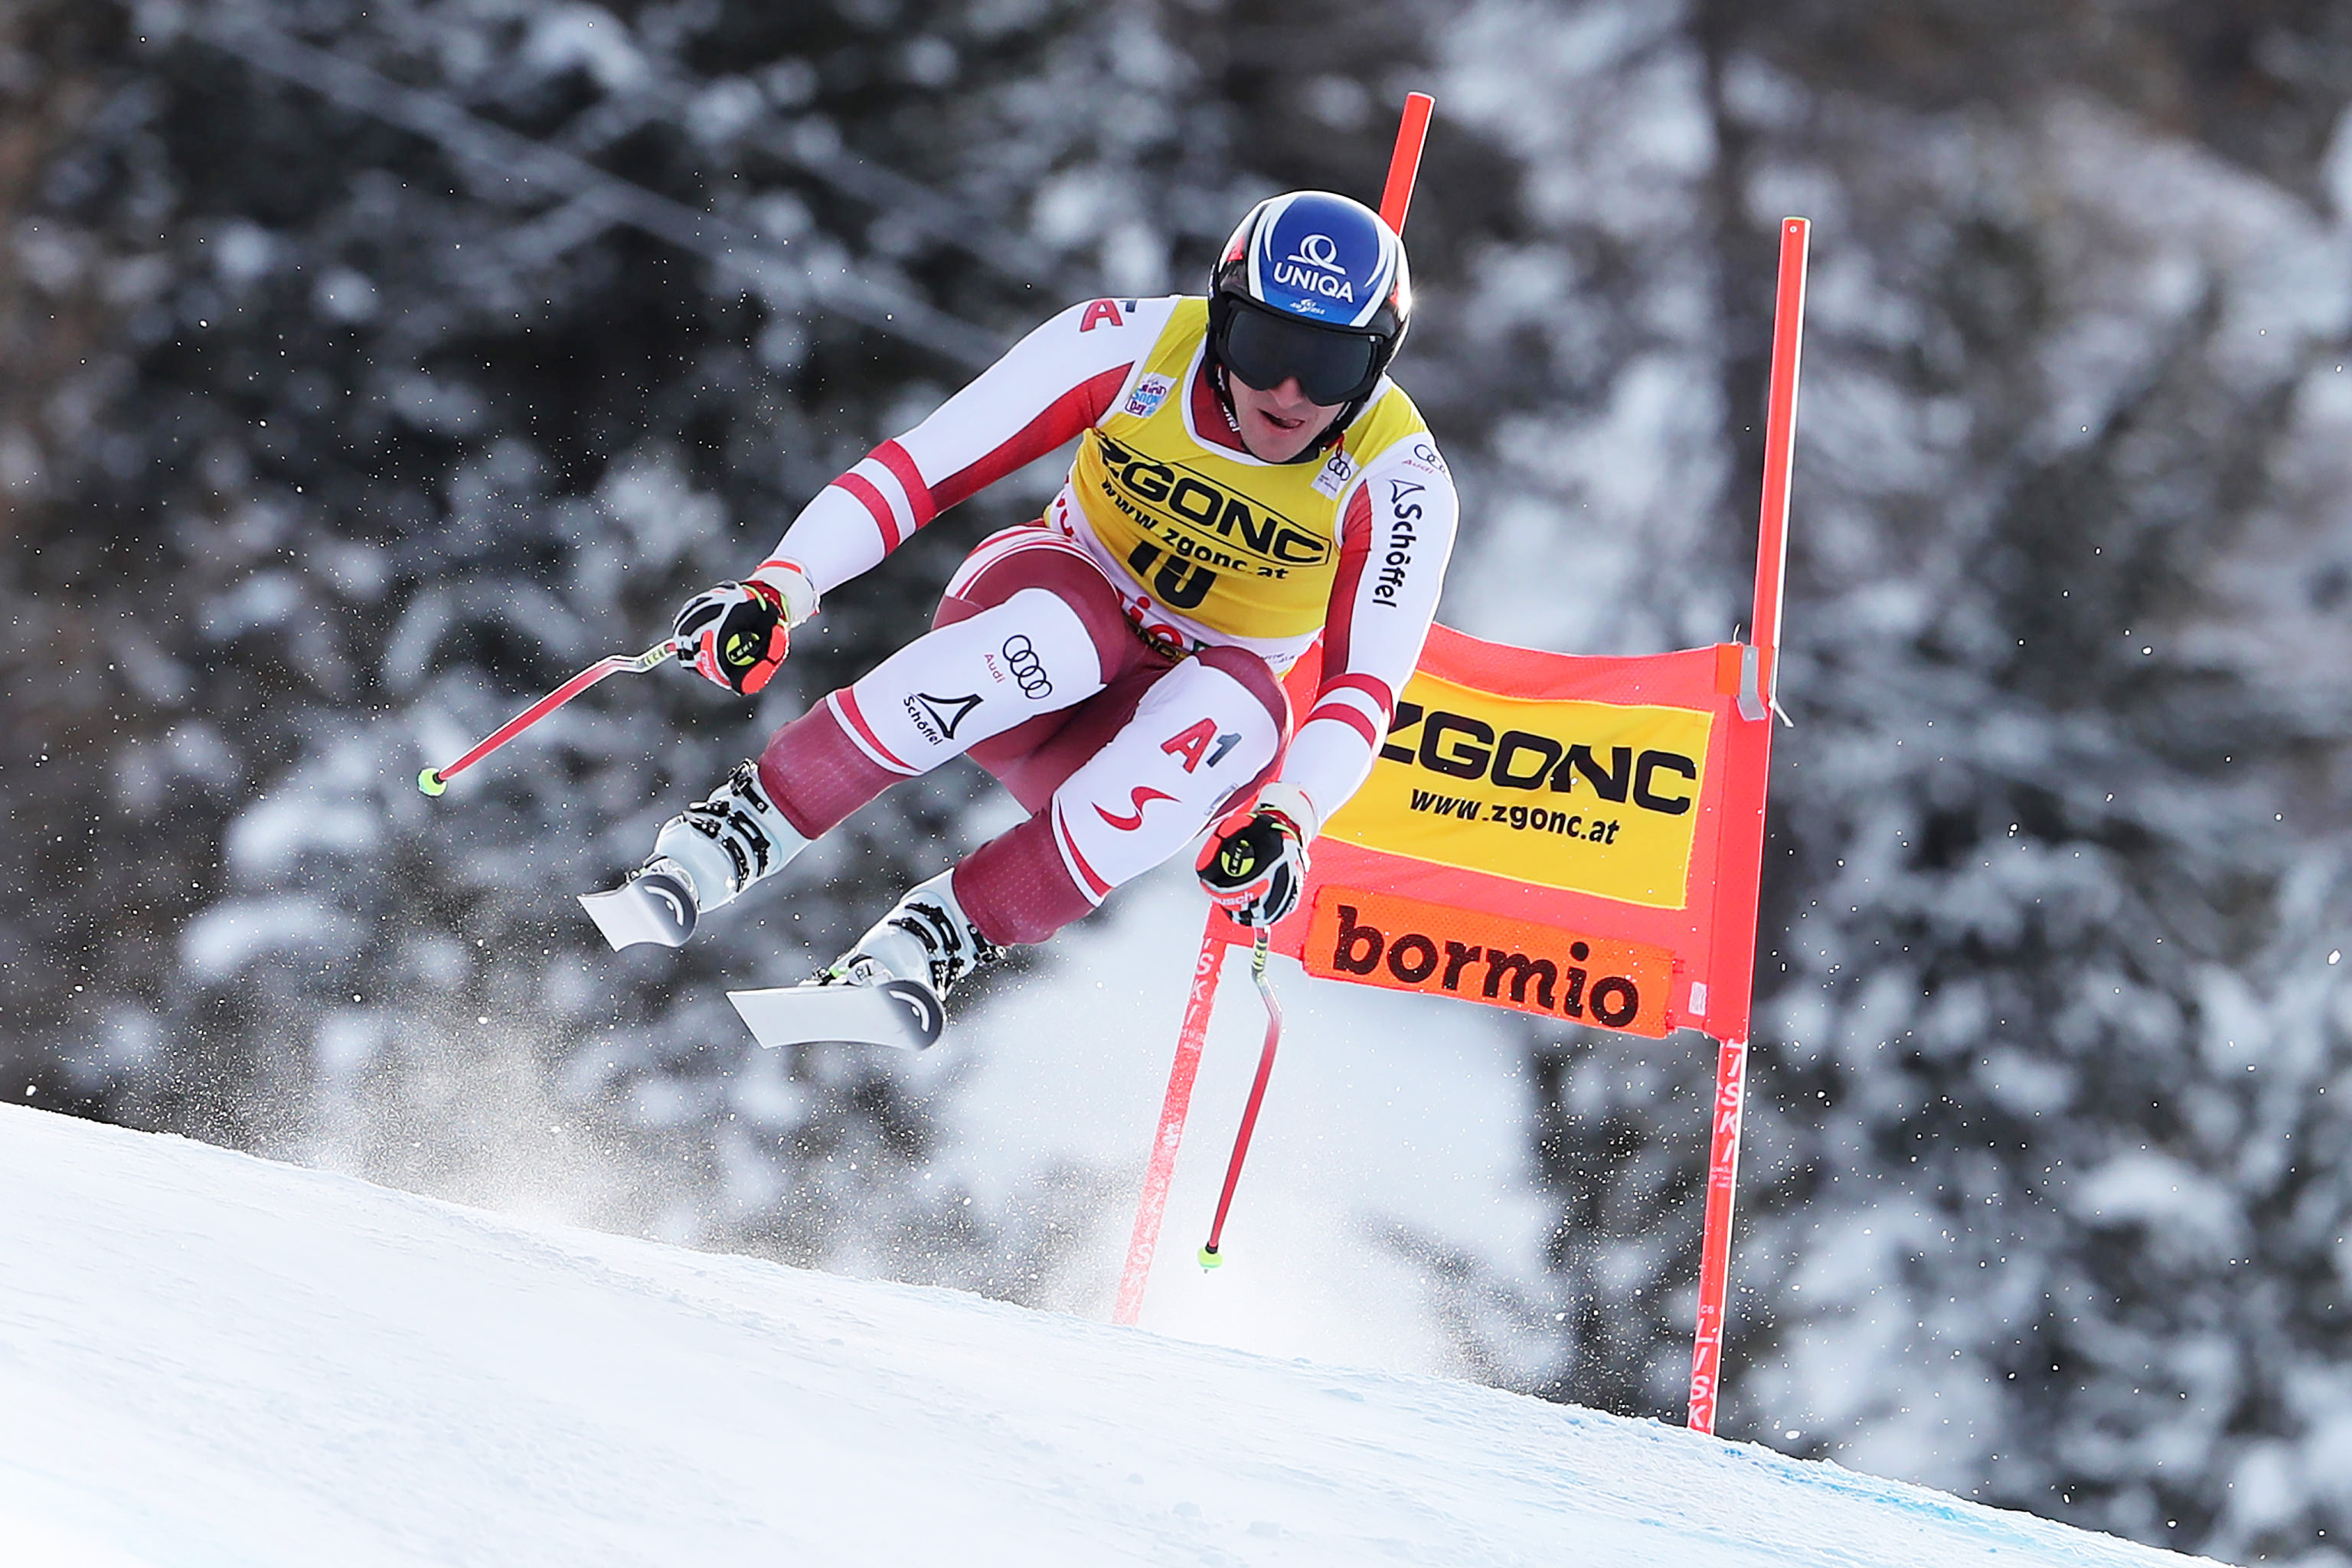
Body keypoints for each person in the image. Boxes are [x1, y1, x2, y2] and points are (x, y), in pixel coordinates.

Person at [581, 188, 1459, 1024]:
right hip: (1047, 605)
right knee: (1067, 633)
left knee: (1245, 712)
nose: (1293, 393)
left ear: (1377, 361)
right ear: (1223, 320)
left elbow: (1363, 687)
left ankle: (933, 941)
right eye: (1267, 348)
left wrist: (1289, 817)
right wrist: (781, 585)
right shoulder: (1134, 344)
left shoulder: (1400, 476)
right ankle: (736, 829)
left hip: (1140, 721)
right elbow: (922, 469)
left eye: (1334, 363)